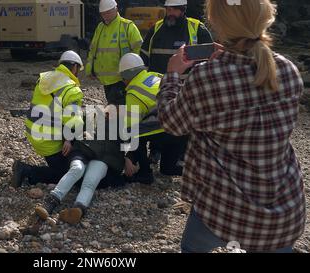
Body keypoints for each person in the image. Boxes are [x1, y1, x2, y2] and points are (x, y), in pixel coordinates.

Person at [158, 0, 306, 253]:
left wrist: (172, 75)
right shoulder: (288, 70)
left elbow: (172, 123)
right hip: (284, 215)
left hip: (222, 211)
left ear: (216, 23)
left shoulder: (207, 76)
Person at [34, 106, 126, 225]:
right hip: (82, 151)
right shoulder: (90, 115)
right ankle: (51, 202)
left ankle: (79, 209)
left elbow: (130, 142)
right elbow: (72, 124)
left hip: (103, 158)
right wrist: (68, 140)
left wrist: (130, 159)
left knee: (91, 180)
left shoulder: (122, 126)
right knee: (77, 169)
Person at [12, 51, 85, 188]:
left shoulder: (44, 79)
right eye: (78, 70)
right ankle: (27, 171)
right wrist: (69, 139)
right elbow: (73, 120)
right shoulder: (72, 90)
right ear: (74, 67)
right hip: (48, 140)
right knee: (65, 175)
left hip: (33, 131)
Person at [119, 53, 186, 184]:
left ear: (126, 77)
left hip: (166, 132)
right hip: (182, 129)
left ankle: (145, 173)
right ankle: (192, 170)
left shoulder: (133, 94)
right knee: (167, 169)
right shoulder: (155, 75)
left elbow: (130, 129)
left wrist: (126, 156)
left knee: (136, 134)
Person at [86, 0, 143, 106]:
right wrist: (90, 69)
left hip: (122, 79)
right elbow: (93, 49)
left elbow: (139, 48)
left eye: (108, 12)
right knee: (114, 107)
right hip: (106, 80)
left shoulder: (127, 26)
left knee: (122, 108)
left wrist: (133, 72)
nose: (105, 16)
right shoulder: (100, 27)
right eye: (103, 14)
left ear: (116, 9)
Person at [140, 0, 213, 75]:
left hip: (185, 85)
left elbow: (209, 59)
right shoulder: (155, 29)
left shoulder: (198, 29)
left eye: (175, 9)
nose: (171, 13)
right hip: (157, 84)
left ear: (183, 10)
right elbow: (144, 57)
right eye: (169, 9)